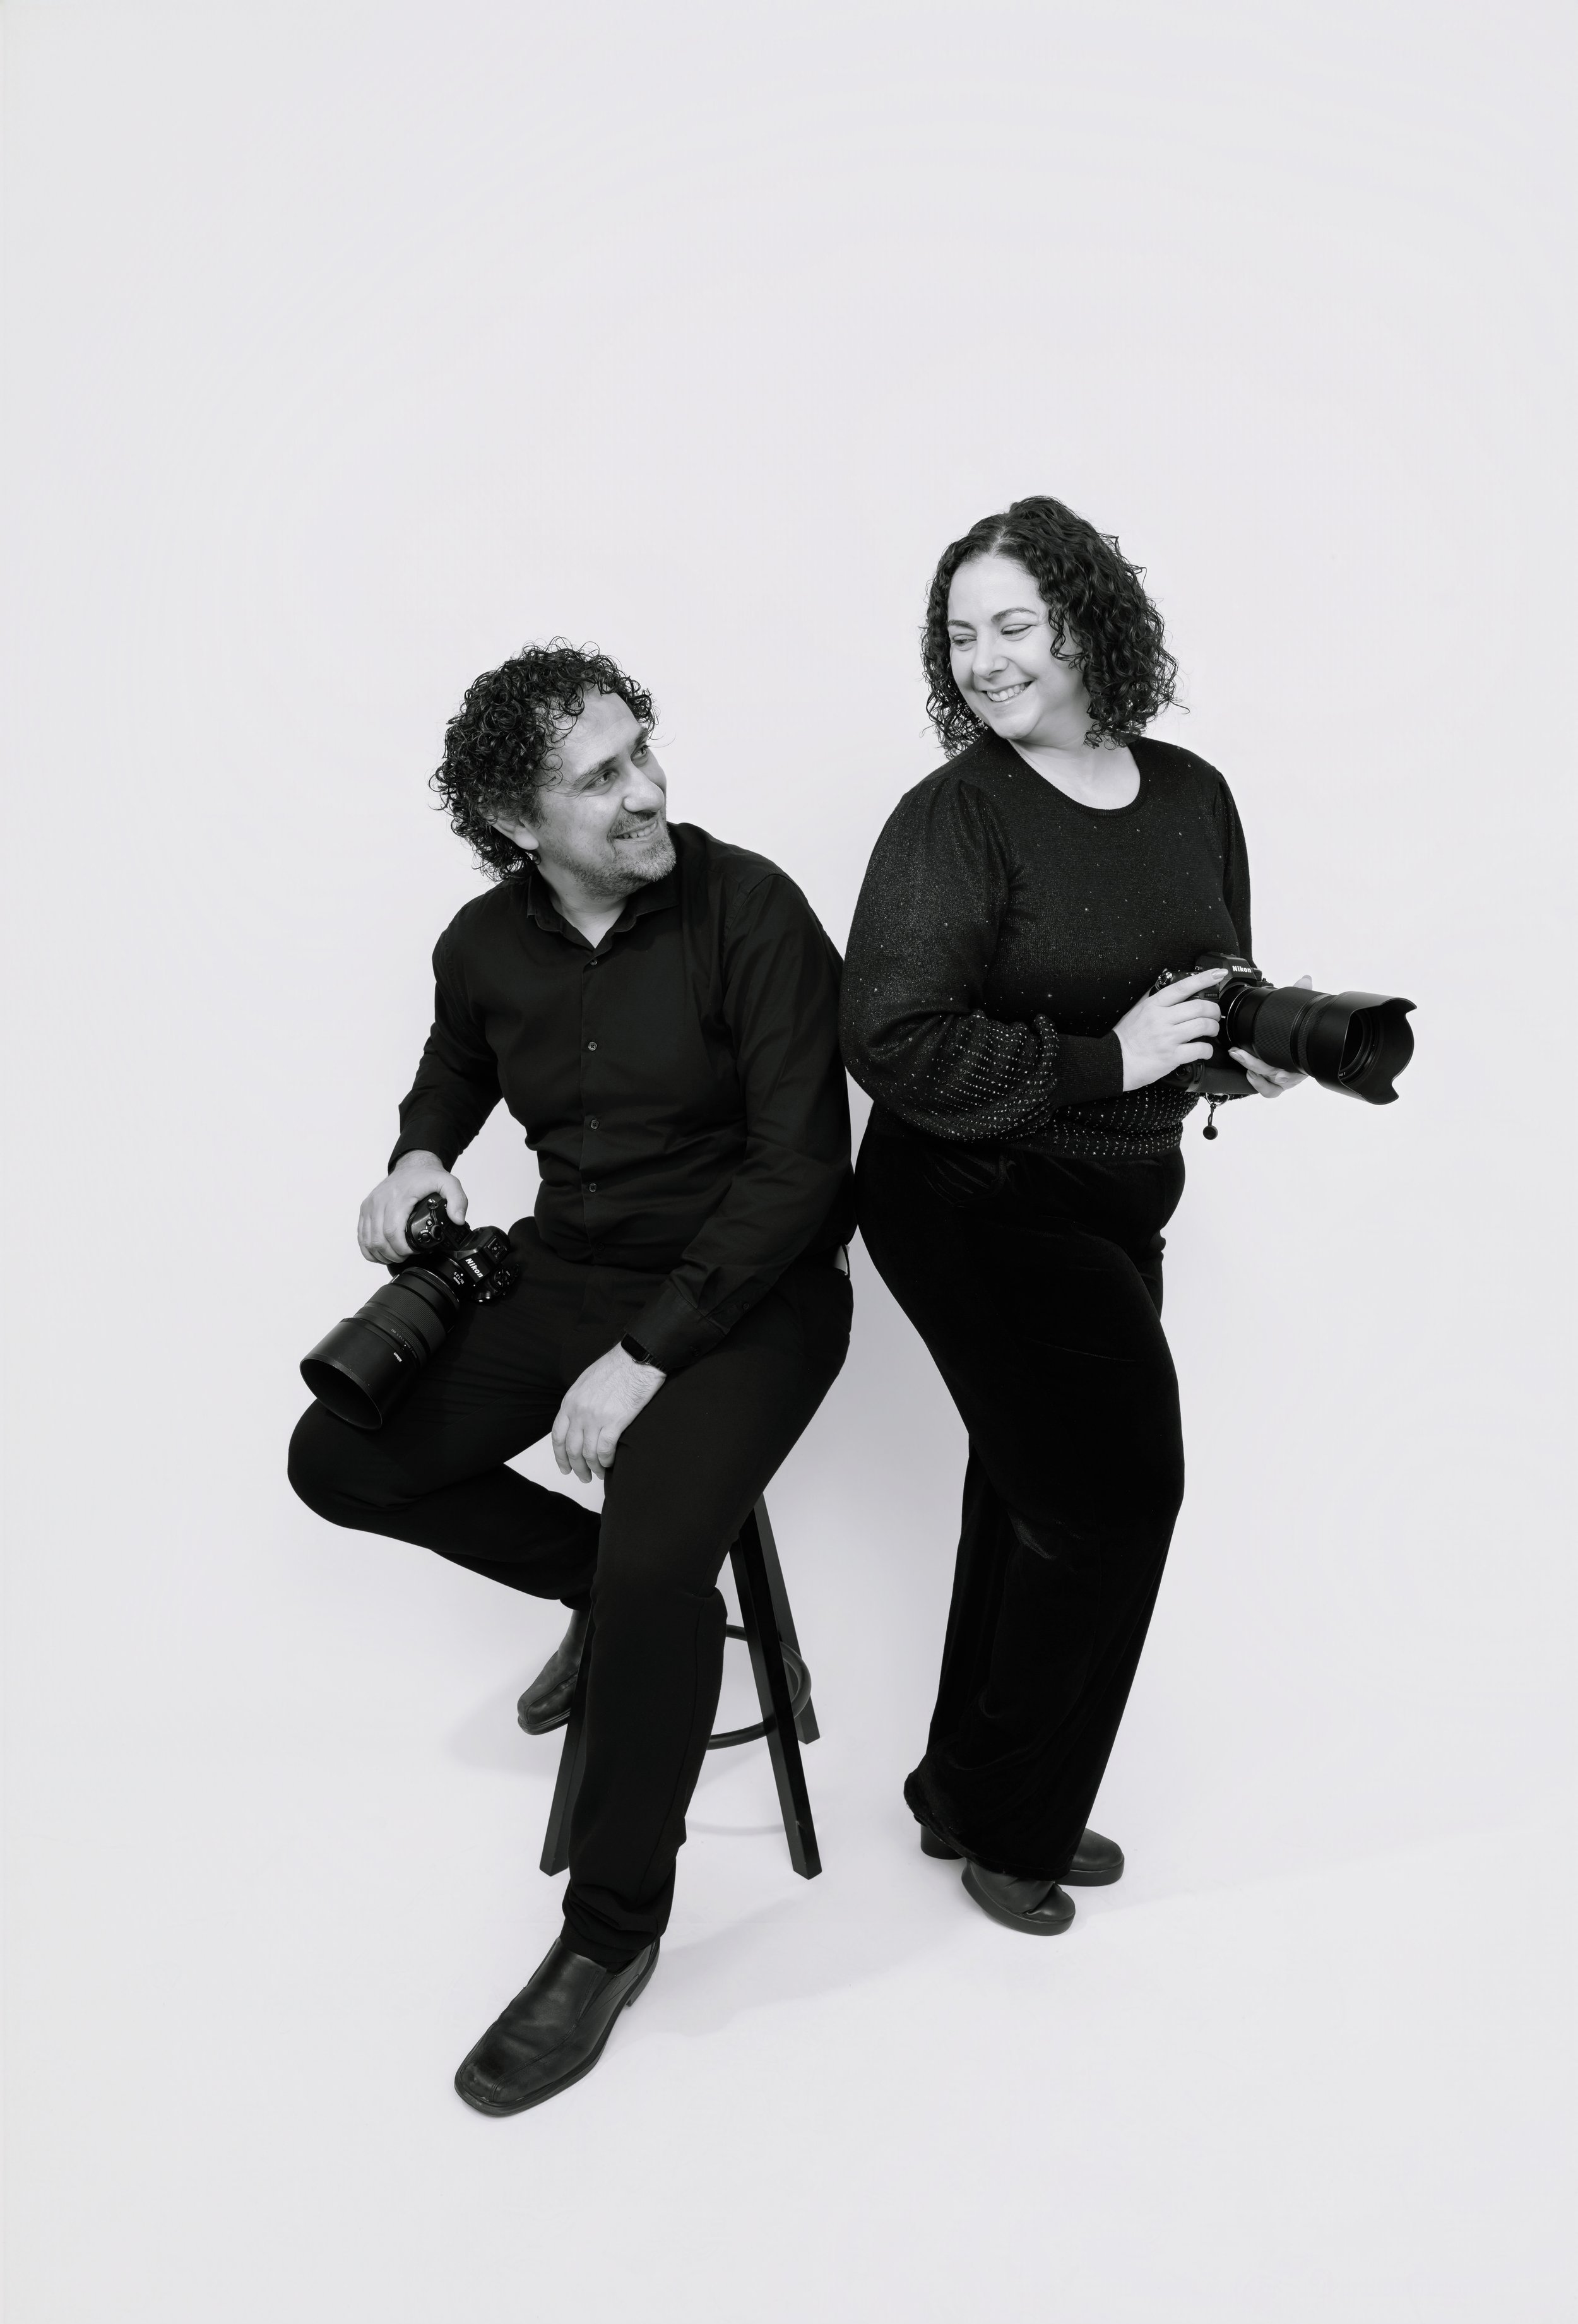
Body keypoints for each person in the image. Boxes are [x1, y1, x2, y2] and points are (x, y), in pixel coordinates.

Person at [289, 642, 853, 2111]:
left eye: (641, 751)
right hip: (563, 1268)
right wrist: (419, 1155)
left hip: (748, 1293)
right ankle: (599, 1599)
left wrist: (642, 1359)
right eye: (599, 777)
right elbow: (453, 1067)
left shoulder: (752, 909)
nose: (645, 790)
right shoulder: (482, 943)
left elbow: (801, 1169)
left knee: (661, 1564)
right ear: (513, 822)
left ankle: (608, 1936)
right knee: (337, 1457)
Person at [840, 495, 1304, 1937]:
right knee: (1113, 1501)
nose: (981, 660)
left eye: (1012, 626)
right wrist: (1112, 1061)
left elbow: (1205, 988)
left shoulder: (1192, 794)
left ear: (1088, 624)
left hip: (1119, 1194)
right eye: (958, 634)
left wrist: (1241, 1055)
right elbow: (891, 1040)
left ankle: (961, 1788)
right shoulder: (957, 816)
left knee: (1034, 1488)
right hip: (970, 1199)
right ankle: (1011, 1826)